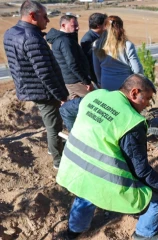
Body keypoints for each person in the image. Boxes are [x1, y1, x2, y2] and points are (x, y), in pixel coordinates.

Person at [56, 74, 158, 240]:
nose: (148, 104)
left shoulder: (96, 96)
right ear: (134, 93)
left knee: (86, 192)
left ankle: (73, 231)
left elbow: (65, 110)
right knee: (157, 198)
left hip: (74, 168)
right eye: (148, 98)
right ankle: (145, 234)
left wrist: (77, 132)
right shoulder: (131, 121)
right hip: (103, 179)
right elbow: (141, 171)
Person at [3, 0, 68, 169]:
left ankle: (53, 150)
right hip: (43, 91)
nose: (47, 20)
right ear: (32, 15)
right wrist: (61, 95)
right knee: (54, 125)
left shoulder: (10, 33)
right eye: (45, 16)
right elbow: (45, 73)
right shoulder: (32, 38)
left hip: (29, 87)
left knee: (50, 122)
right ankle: (58, 161)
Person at [46, 14, 93, 99]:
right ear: (63, 25)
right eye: (73, 25)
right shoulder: (65, 41)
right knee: (93, 101)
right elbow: (73, 64)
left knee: (76, 106)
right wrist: (86, 81)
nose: (77, 28)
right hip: (76, 81)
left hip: (71, 80)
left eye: (77, 25)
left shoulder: (62, 39)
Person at [93, 15, 144, 91]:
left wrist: (100, 82)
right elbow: (137, 70)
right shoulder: (127, 45)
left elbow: (97, 69)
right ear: (121, 28)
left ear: (105, 27)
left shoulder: (96, 44)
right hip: (125, 85)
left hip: (106, 84)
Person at [81, 13, 107, 86]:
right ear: (99, 25)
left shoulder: (102, 34)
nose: (106, 27)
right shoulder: (88, 40)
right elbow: (90, 62)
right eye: (105, 24)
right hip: (97, 75)